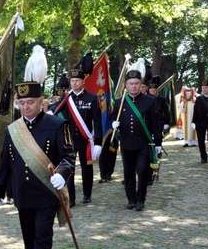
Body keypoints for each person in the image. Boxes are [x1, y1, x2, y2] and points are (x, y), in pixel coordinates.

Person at [0, 79, 74, 249]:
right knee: (28, 235)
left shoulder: (57, 124)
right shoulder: (12, 130)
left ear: (41, 101)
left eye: (30, 102)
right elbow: (5, 163)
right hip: (23, 192)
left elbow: (68, 157)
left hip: (46, 191)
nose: (26, 107)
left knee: (43, 232)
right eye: (22, 103)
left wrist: (62, 173)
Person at [111, 66, 163, 210]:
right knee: (128, 173)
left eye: (136, 83)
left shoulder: (149, 101)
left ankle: (141, 199)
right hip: (127, 143)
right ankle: (131, 199)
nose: (133, 86)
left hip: (143, 144)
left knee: (142, 171)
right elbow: (112, 118)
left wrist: (157, 142)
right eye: (131, 84)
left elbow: (154, 123)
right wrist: (113, 123)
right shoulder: (120, 102)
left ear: (141, 85)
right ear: (126, 85)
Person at [54, 68, 102, 206]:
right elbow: (58, 108)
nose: (74, 83)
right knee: (69, 168)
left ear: (83, 82)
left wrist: (98, 142)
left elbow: (97, 121)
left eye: (77, 81)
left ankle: (87, 194)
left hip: (86, 139)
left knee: (86, 168)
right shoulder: (66, 96)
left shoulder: (92, 98)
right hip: (69, 139)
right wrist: (50, 111)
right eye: (73, 81)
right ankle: (71, 198)